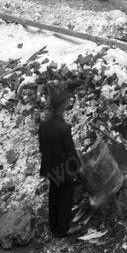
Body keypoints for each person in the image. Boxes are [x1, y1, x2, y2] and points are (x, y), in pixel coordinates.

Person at [38, 81, 84, 237]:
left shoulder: (43, 125)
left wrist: (45, 169)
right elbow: (70, 151)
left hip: (51, 167)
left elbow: (42, 149)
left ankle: (53, 224)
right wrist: (78, 169)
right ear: (62, 107)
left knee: (54, 195)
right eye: (66, 103)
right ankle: (63, 228)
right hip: (64, 169)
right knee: (66, 197)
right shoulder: (63, 128)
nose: (67, 104)